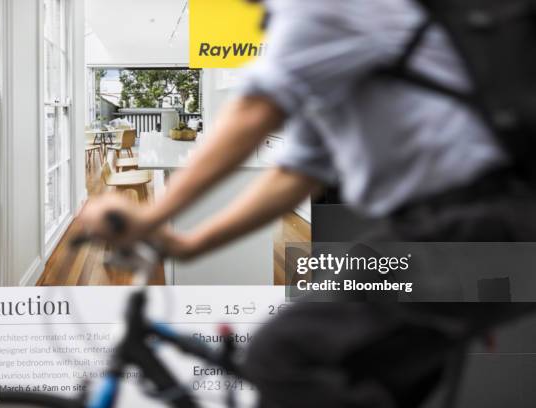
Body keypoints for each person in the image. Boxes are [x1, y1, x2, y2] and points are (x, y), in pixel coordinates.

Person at [78, 0, 536, 406]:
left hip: (477, 226)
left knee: (281, 355)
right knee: (349, 369)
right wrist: (190, 243)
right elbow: (297, 172)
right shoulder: (320, 43)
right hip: (458, 228)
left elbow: (256, 111)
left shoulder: (323, 5)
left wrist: (154, 214)